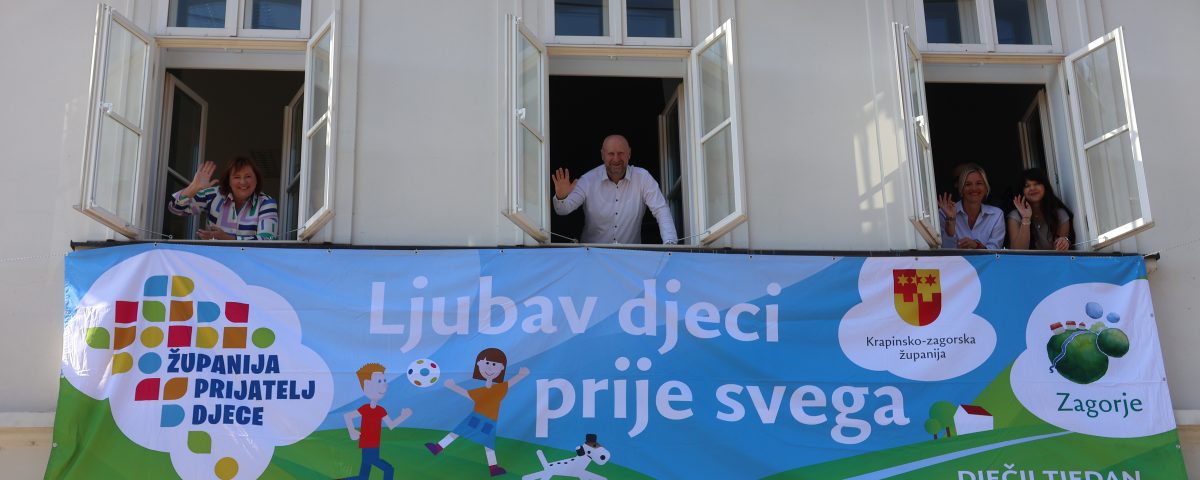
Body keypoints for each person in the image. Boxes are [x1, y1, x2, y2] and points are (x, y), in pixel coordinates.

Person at [552, 134, 679, 244]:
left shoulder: (643, 178)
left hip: (628, 257)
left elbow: (660, 210)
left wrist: (670, 243)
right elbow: (562, 210)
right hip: (592, 256)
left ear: (629, 154)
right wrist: (561, 197)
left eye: (621, 153)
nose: (616, 159)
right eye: (611, 154)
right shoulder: (588, 180)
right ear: (602, 155)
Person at [425, 348, 530, 477]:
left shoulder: (499, 388)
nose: (490, 368)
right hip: (480, 418)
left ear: (502, 368)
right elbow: (467, 394)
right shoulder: (485, 390)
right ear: (479, 365)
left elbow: (509, 384)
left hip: (486, 420)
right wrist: (452, 386)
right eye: (487, 363)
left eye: (494, 364)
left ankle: (492, 468)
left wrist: (521, 375)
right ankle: (438, 448)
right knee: (460, 433)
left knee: (484, 442)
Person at [167, 156, 279, 240]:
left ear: (256, 179)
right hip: (214, 261)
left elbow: (267, 239)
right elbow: (175, 209)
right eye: (237, 177)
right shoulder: (214, 195)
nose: (243, 182)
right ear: (228, 181)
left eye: (248, 176)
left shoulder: (266, 202)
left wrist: (225, 238)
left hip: (249, 263)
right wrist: (194, 187)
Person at [344, 363, 412, 480]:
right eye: (379, 381)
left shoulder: (381, 410)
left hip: (375, 445)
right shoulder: (365, 408)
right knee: (388, 469)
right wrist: (352, 431)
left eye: (384, 381)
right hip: (368, 446)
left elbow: (391, 425)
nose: (384, 385)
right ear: (367, 384)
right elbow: (348, 416)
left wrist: (403, 416)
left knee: (363, 477)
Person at [938, 163, 1005, 249]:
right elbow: (944, 251)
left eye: (979, 183)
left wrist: (976, 246)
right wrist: (951, 221)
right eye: (968, 184)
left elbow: (995, 252)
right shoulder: (944, 213)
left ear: (986, 188)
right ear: (961, 189)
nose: (974, 188)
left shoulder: (996, 215)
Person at [1007, 168, 1073, 251]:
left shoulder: (1060, 215)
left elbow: (1058, 251)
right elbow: (1018, 251)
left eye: (1037, 184)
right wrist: (1026, 218)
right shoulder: (1015, 216)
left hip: (1053, 259)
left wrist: (1064, 242)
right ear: (1022, 191)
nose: (1032, 188)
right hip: (1026, 259)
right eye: (1027, 186)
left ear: (1045, 187)